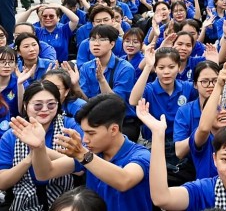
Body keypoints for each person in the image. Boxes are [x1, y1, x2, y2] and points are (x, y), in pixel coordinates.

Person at [11, 94, 153, 211]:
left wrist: (83, 155)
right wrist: (39, 148)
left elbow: (124, 180)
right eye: (84, 132)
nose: (85, 139)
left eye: (91, 133)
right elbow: (45, 173)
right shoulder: (92, 154)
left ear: (114, 130)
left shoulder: (140, 155)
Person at [0, 81, 81, 209]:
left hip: (66, 199)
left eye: (51, 105)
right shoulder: (12, 135)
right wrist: (30, 158)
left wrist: (41, 148)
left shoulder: (69, 127)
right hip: (22, 199)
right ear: (26, 105)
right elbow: (2, 182)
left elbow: (81, 167)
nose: (44, 109)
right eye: (38, 105)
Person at [78, 25, 139, 141]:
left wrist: (102, 80)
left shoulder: (125, 68)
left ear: (112, 44)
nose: (96, 43)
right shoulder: (86, 67)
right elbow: (85, 100)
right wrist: (75, 86)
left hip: (122, 122)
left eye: (102, 39)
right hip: (95, 120)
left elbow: (116, 103)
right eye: (92, 39)